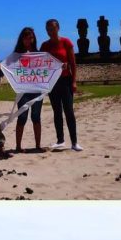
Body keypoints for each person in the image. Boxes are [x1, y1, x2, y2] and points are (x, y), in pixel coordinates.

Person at [40, 19, 82, 152]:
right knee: (57, 111)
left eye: (52, 28)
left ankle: (74, 142)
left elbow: (73, 64)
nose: (50, 31)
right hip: (53, 83)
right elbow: (40, 63)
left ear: (58, 28)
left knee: (69, 111)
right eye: (48, 29)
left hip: (65, 81)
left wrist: (74, 81)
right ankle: (60, 140)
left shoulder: (66, 42)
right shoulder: (45, 45)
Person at [13, 28, 45, 153]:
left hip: (37, 90)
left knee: (36, 117)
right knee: (22, 117)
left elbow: (47, 68)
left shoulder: (38, 53)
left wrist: (60, 66)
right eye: (26, 37)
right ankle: (18, 146)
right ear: (22, 38)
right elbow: (8, 67)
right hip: (23, 91)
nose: (28, 40)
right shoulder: (16, 54)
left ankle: (37, 145)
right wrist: (0, 66)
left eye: (30, 37)